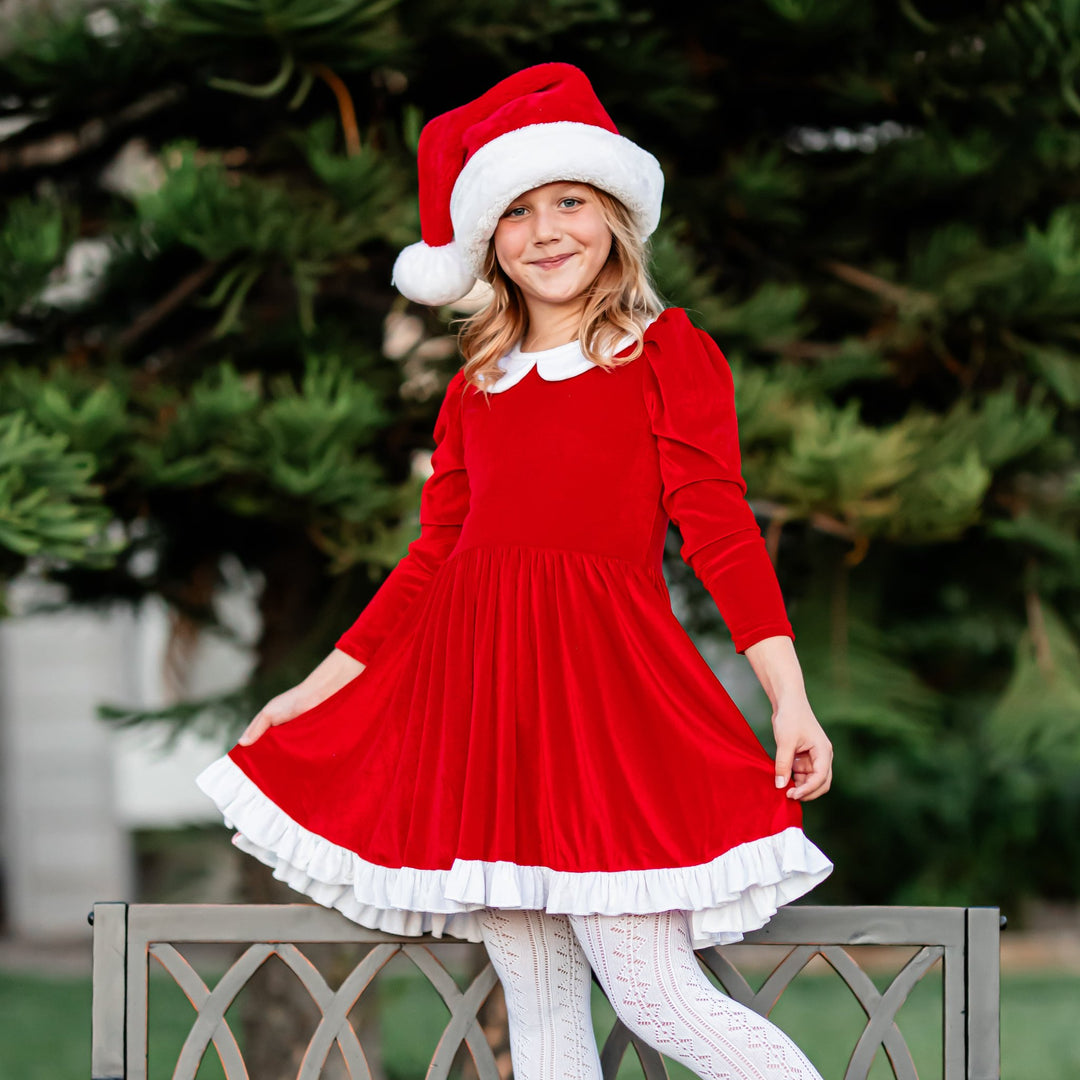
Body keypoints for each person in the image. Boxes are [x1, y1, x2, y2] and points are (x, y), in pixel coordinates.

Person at [197, 62, 834, 1079]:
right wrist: (310, 693)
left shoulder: (666, 354)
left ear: (616, 213)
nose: (547, 231)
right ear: (486, 239)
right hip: (488, 723)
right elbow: (429, 565)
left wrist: (787, 700)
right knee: (539, 1012)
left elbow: (719, 530)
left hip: (605, 711)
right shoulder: (474, 387)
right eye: (517, 211)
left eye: (570, 201)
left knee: (657, 993)